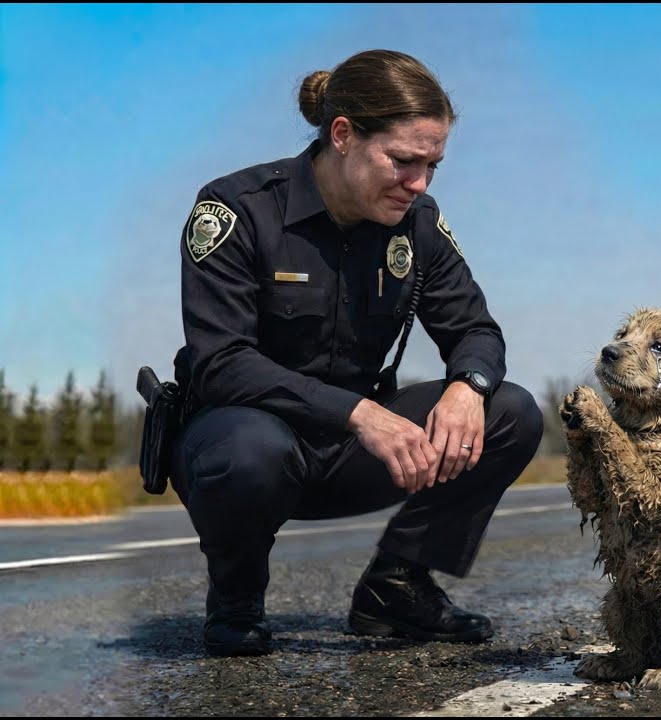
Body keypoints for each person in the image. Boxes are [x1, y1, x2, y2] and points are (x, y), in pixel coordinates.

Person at [168, 49, 543, 657]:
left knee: (511, 410)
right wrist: (360, 414)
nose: (418, 182)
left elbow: (476, 330)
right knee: (251, 449)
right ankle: (235, 601)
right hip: (246, 453)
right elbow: (221, 362)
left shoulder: (416, 223)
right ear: (342, 135)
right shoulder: (236, 209)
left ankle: (397, 590)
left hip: (348, 458)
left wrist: (466, 388)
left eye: (432, 165)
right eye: (402, 161)